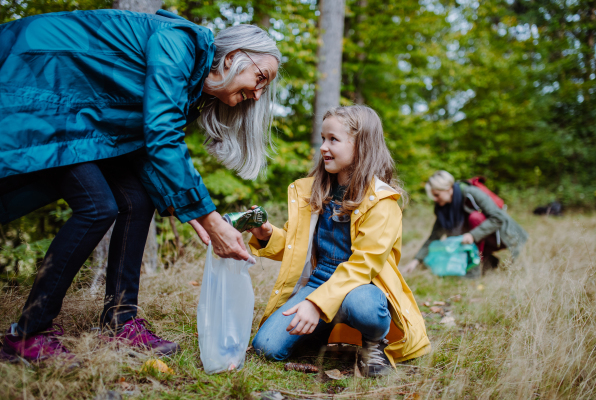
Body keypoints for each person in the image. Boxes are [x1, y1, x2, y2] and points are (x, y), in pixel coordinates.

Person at [0, 9, 281, 362]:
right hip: (46, 83)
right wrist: (209, 217)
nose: (257, 94)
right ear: (233, 58)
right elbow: (162, 138)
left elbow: (144, 146)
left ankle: (120, 322)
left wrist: (186, 209)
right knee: (97, 206)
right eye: (260, 78)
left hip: (82, 113)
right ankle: (27, 335)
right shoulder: (179, 45)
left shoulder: (193, 83)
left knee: (137, 199)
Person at [246, 106, 430, 378]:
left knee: (364, 307)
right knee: (266, 347)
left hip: (362, 286)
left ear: (362, 145)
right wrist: (266, 235)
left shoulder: (382, 201)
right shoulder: (313, 190)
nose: (323, 147)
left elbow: (363, 265)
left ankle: (373, 342)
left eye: (333, 139)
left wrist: (315, 304)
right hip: (319, 281)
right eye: (322, 139)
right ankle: (321, 330)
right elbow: (299, 246)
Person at [402, 171, 528, 276]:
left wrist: (473, 235)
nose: (435, 199)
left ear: (447, 189)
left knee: (475, 218)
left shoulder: (471, 193)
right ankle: (487, 262)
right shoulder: (443, 208)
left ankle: (475, 269)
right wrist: (416, 260)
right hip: (483, 239)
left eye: (437, 195)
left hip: (503, 236)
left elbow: (498, 217)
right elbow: (435, 235)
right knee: (456, 237)